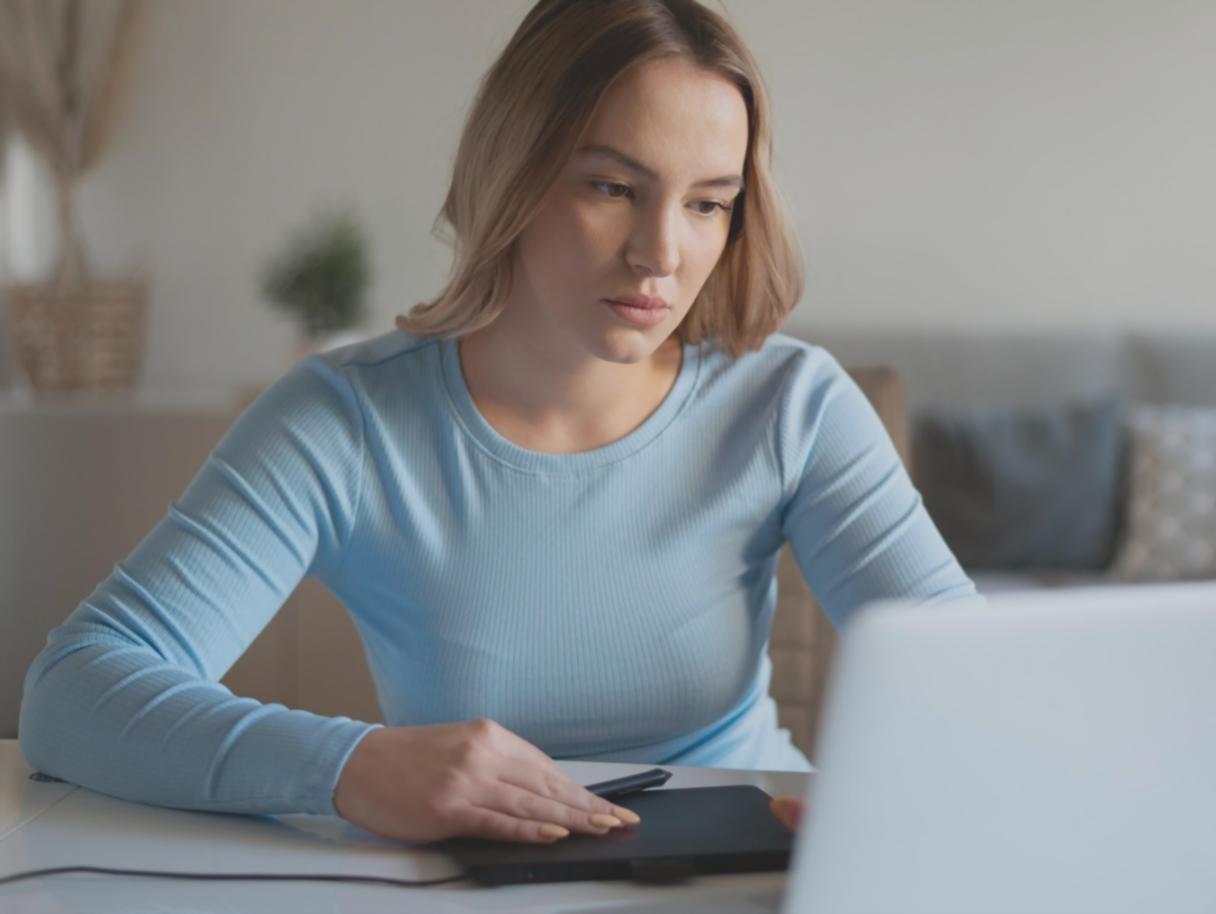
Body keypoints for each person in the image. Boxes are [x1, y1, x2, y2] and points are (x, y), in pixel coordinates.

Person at [18, 0, 977, 846]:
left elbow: (980, 685)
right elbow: (73, 693)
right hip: (473, 886)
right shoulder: (346, 422)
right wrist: (351, 765)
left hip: (753, 874)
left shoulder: (792, 405)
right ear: (512, 174)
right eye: (612, 187)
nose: (661, 253)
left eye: (708, 204)